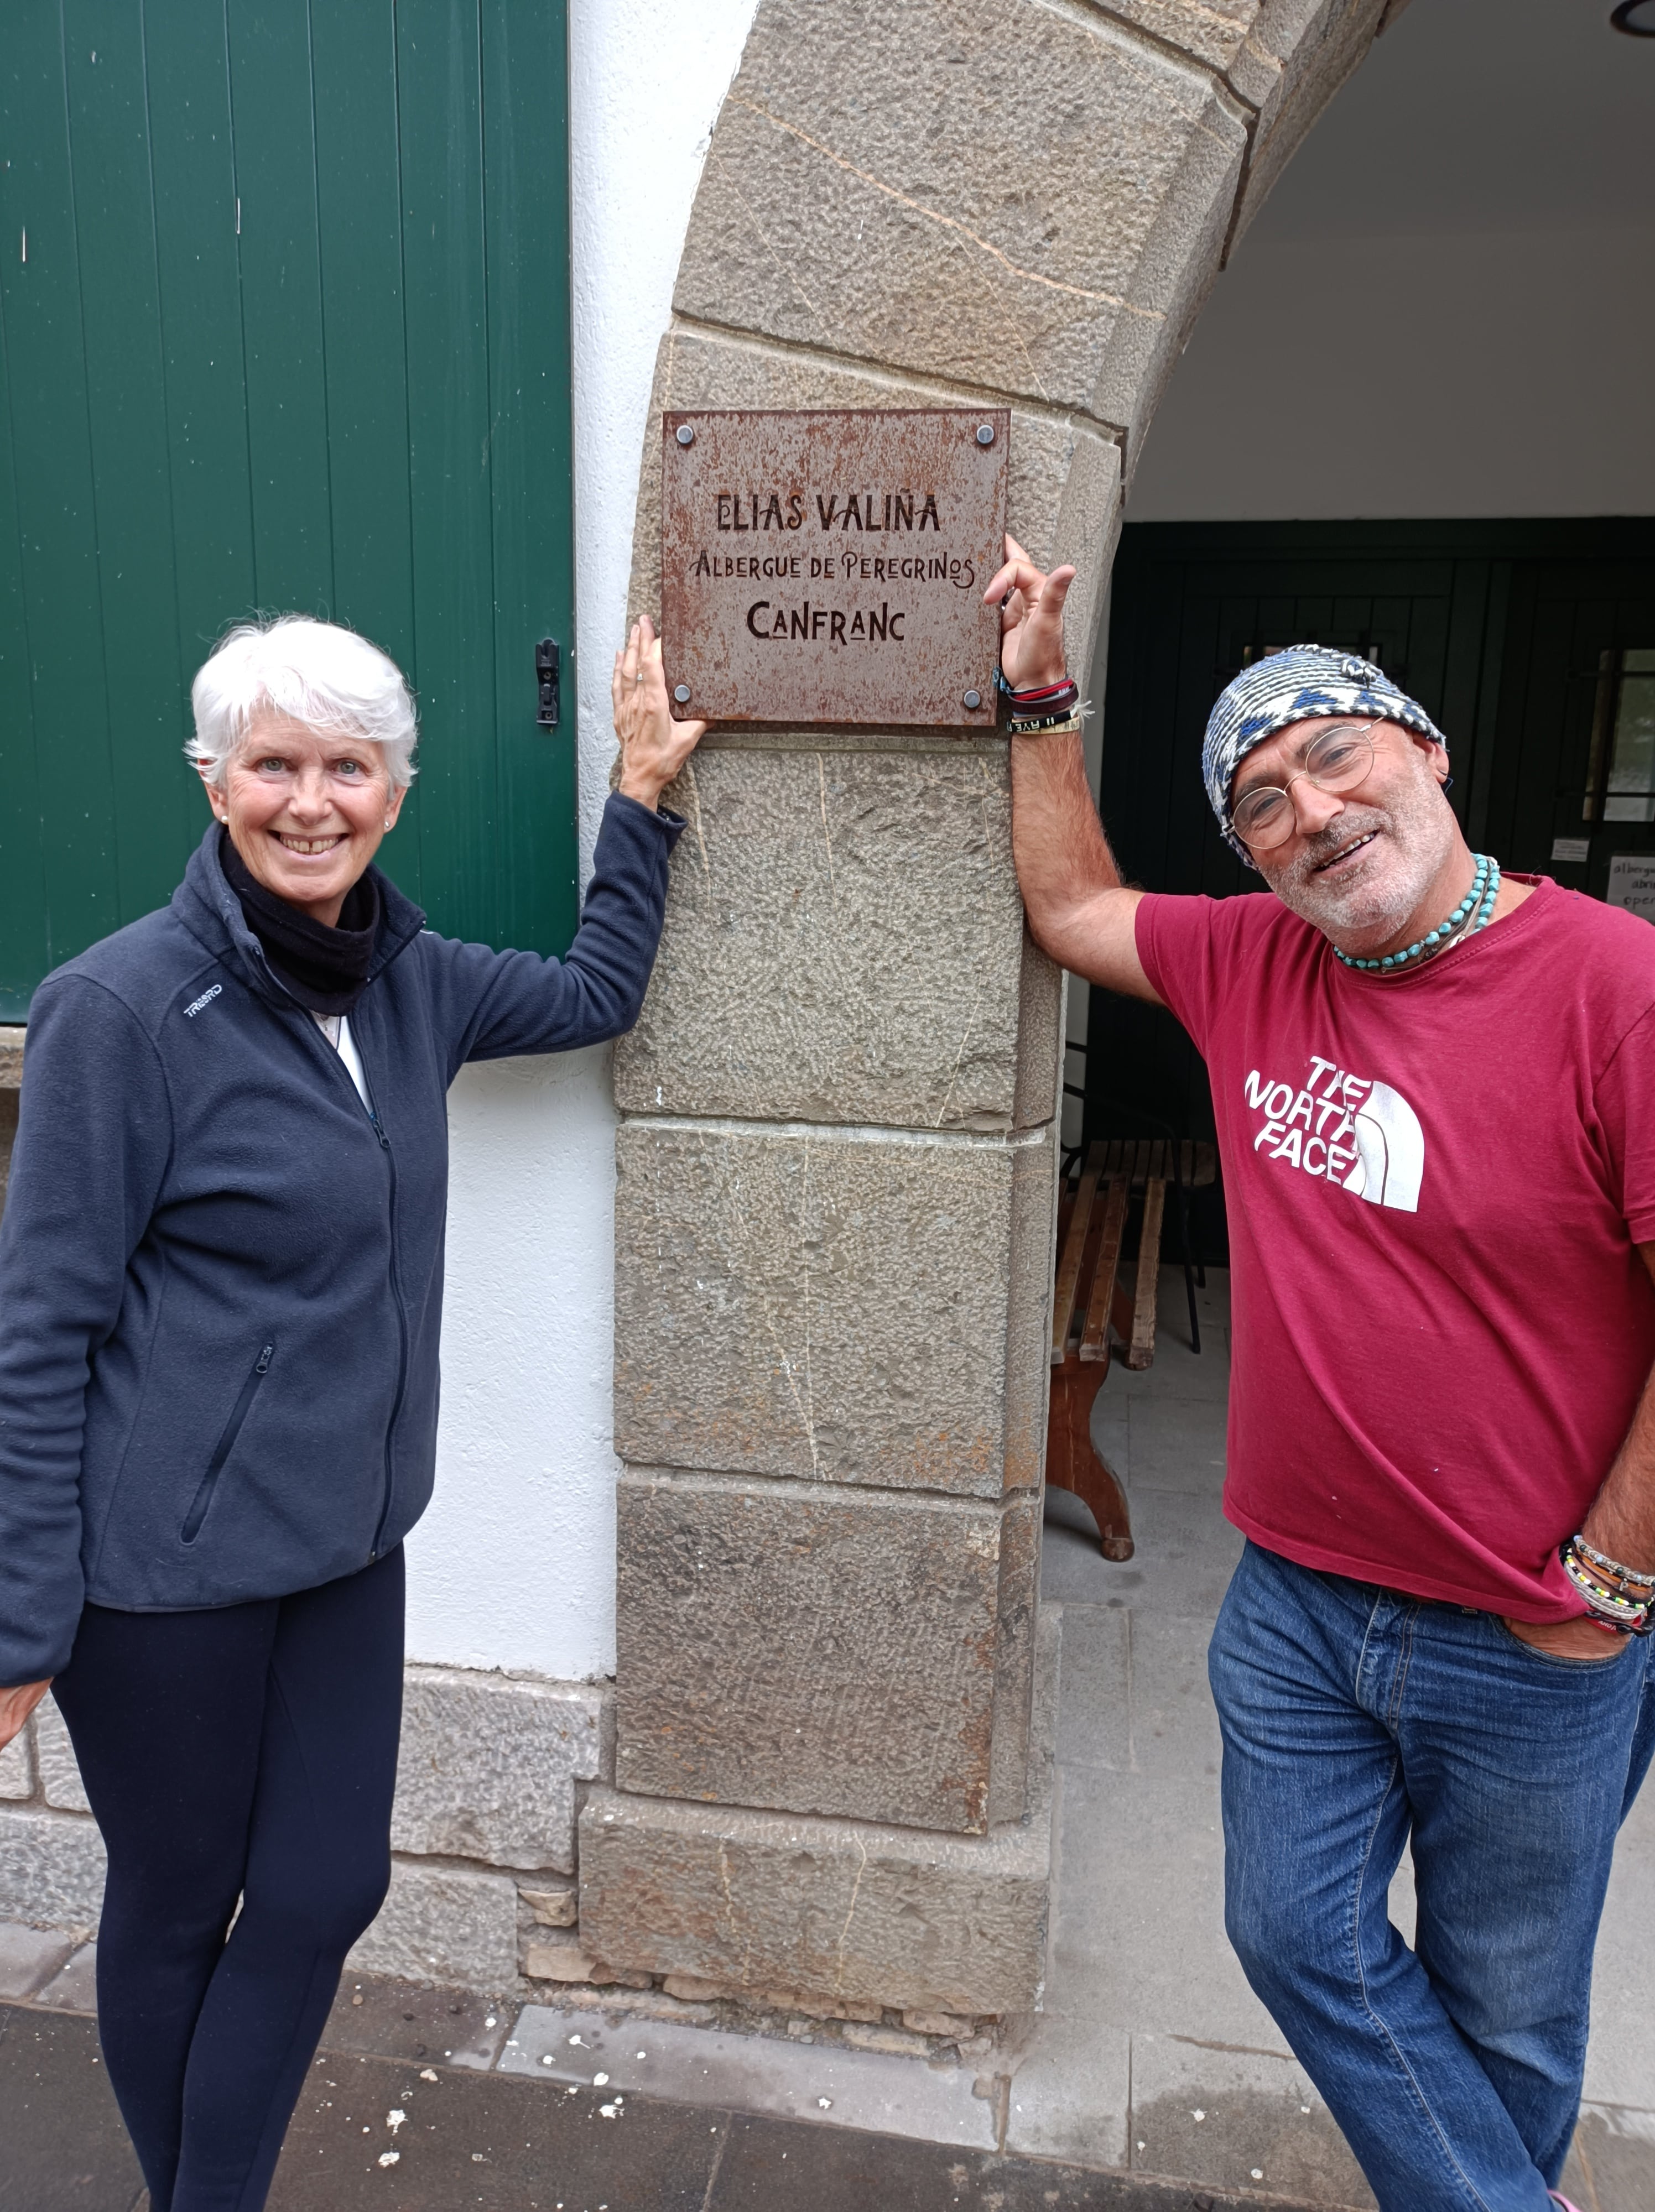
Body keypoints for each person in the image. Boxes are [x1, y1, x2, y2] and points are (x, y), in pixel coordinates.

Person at [0, 611, 702, 2212]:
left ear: (395, 789)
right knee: (178, 1905)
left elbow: (595, 988)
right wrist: (19, 1619)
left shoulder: (413, 983)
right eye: (273, 765)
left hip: (343, 1544)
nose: (309, 801)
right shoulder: (120, 1008)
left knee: (324, 1891)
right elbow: (39, 1331)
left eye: (346, 766)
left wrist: (645, 797)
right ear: (213, 782)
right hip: (155, 1575)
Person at [989, 537, 1655, 2212]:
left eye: (1334, 753)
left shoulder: (1615, 988)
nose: (1311, 813)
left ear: (1425, 752)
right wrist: (1039, 698)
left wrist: (1613, 1578)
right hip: (1296, 1602)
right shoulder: (1253, 964)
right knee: (1294, 1934)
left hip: (1528, 1627)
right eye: (1262, 803)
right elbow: (1071, 906)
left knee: (1506, 2014)